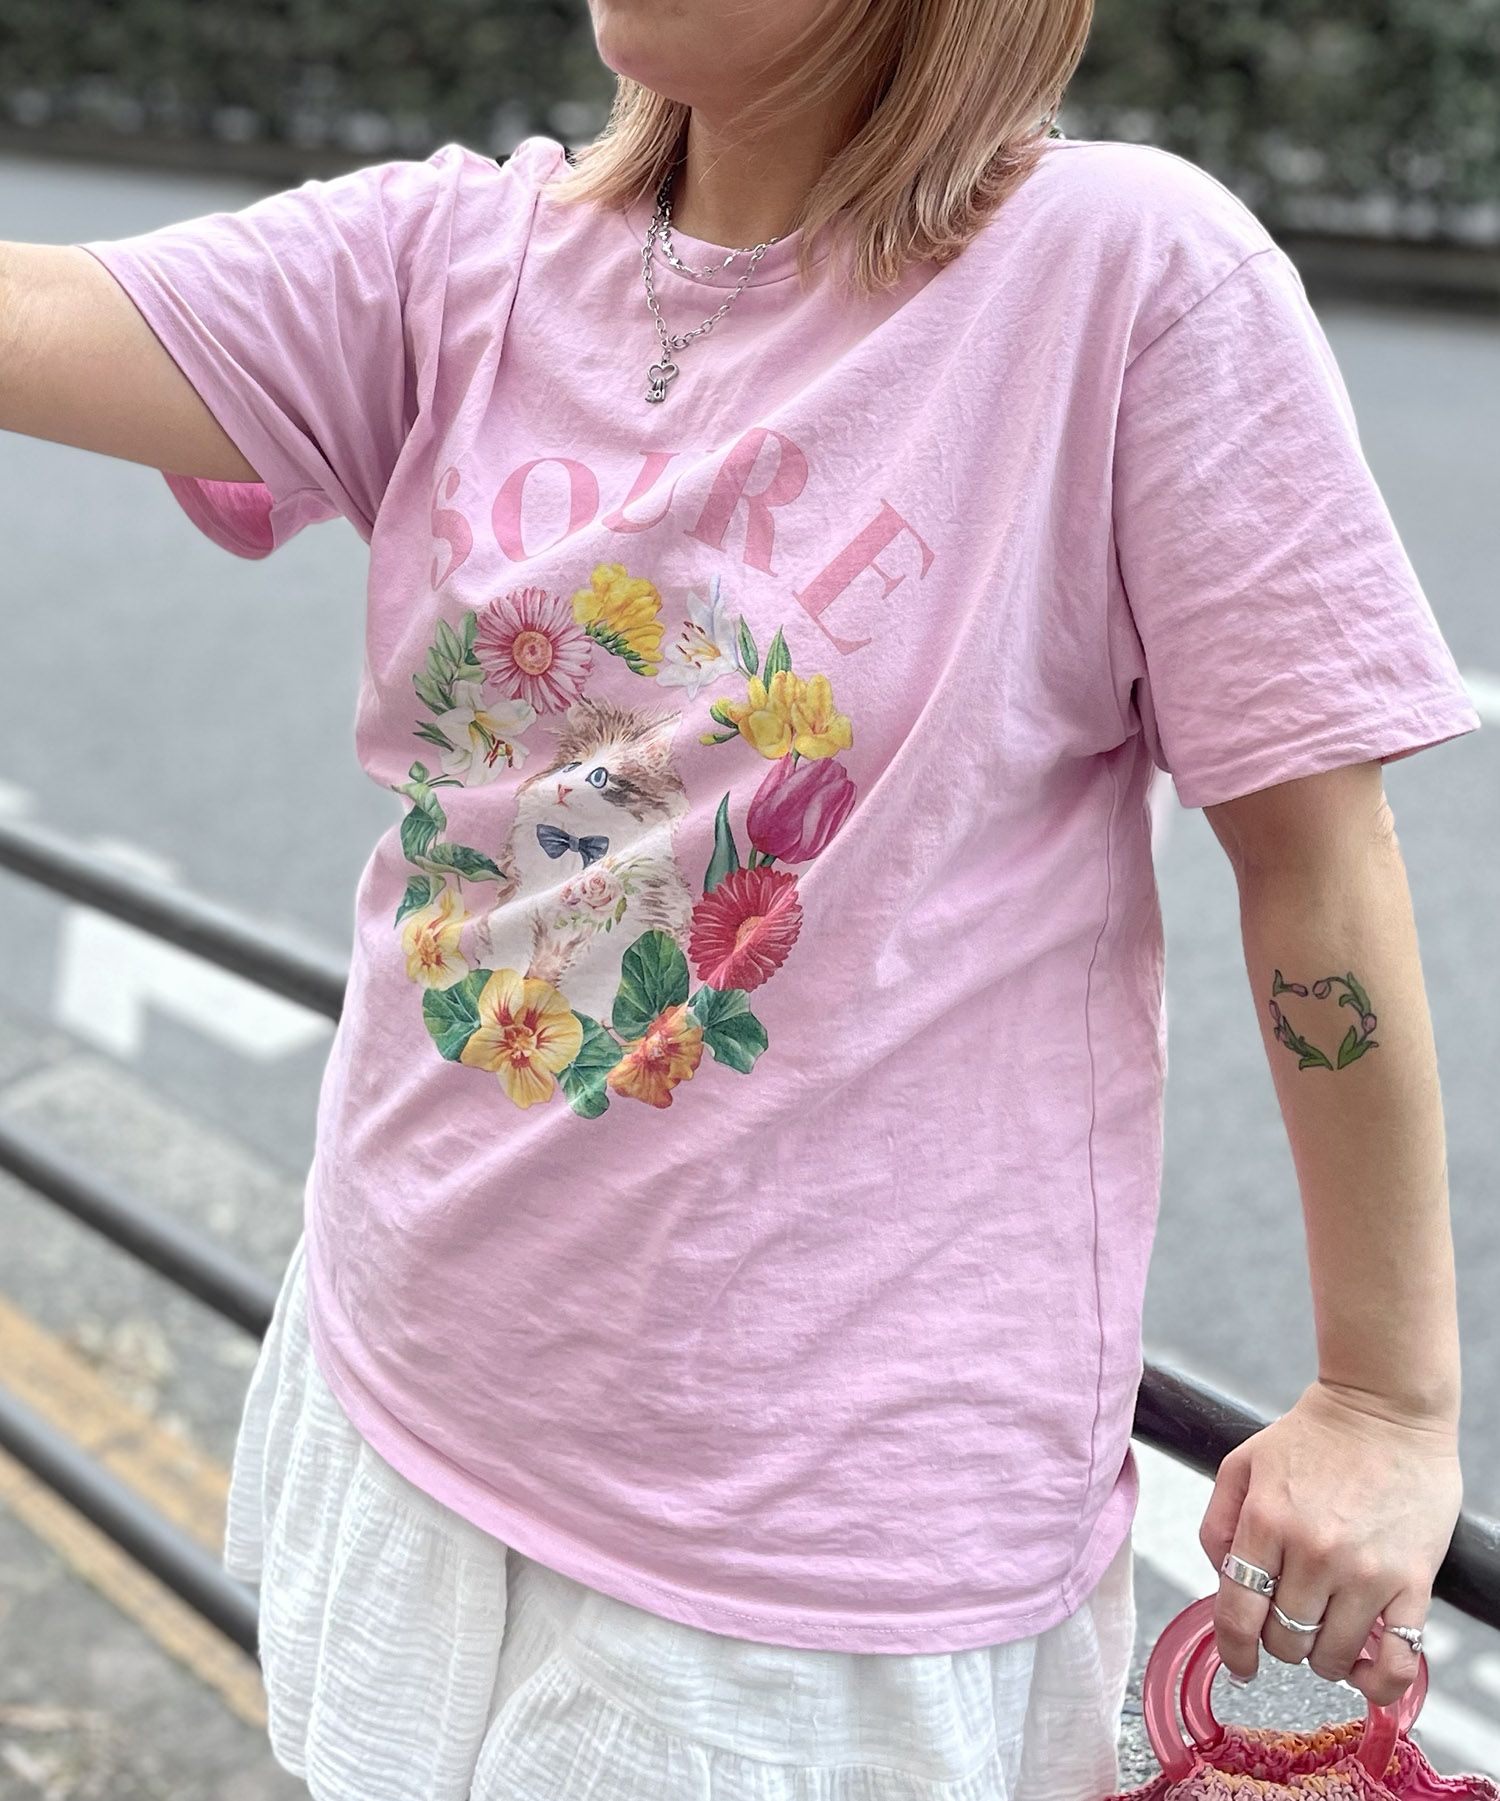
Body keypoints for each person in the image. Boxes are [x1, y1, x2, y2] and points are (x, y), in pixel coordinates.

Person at [0, 0, 1479, 1793]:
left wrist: (1386, 1396)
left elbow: (1316, 863)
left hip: (808, 1544)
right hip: (403, 1375)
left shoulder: (1124, 280)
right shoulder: (450, 260)